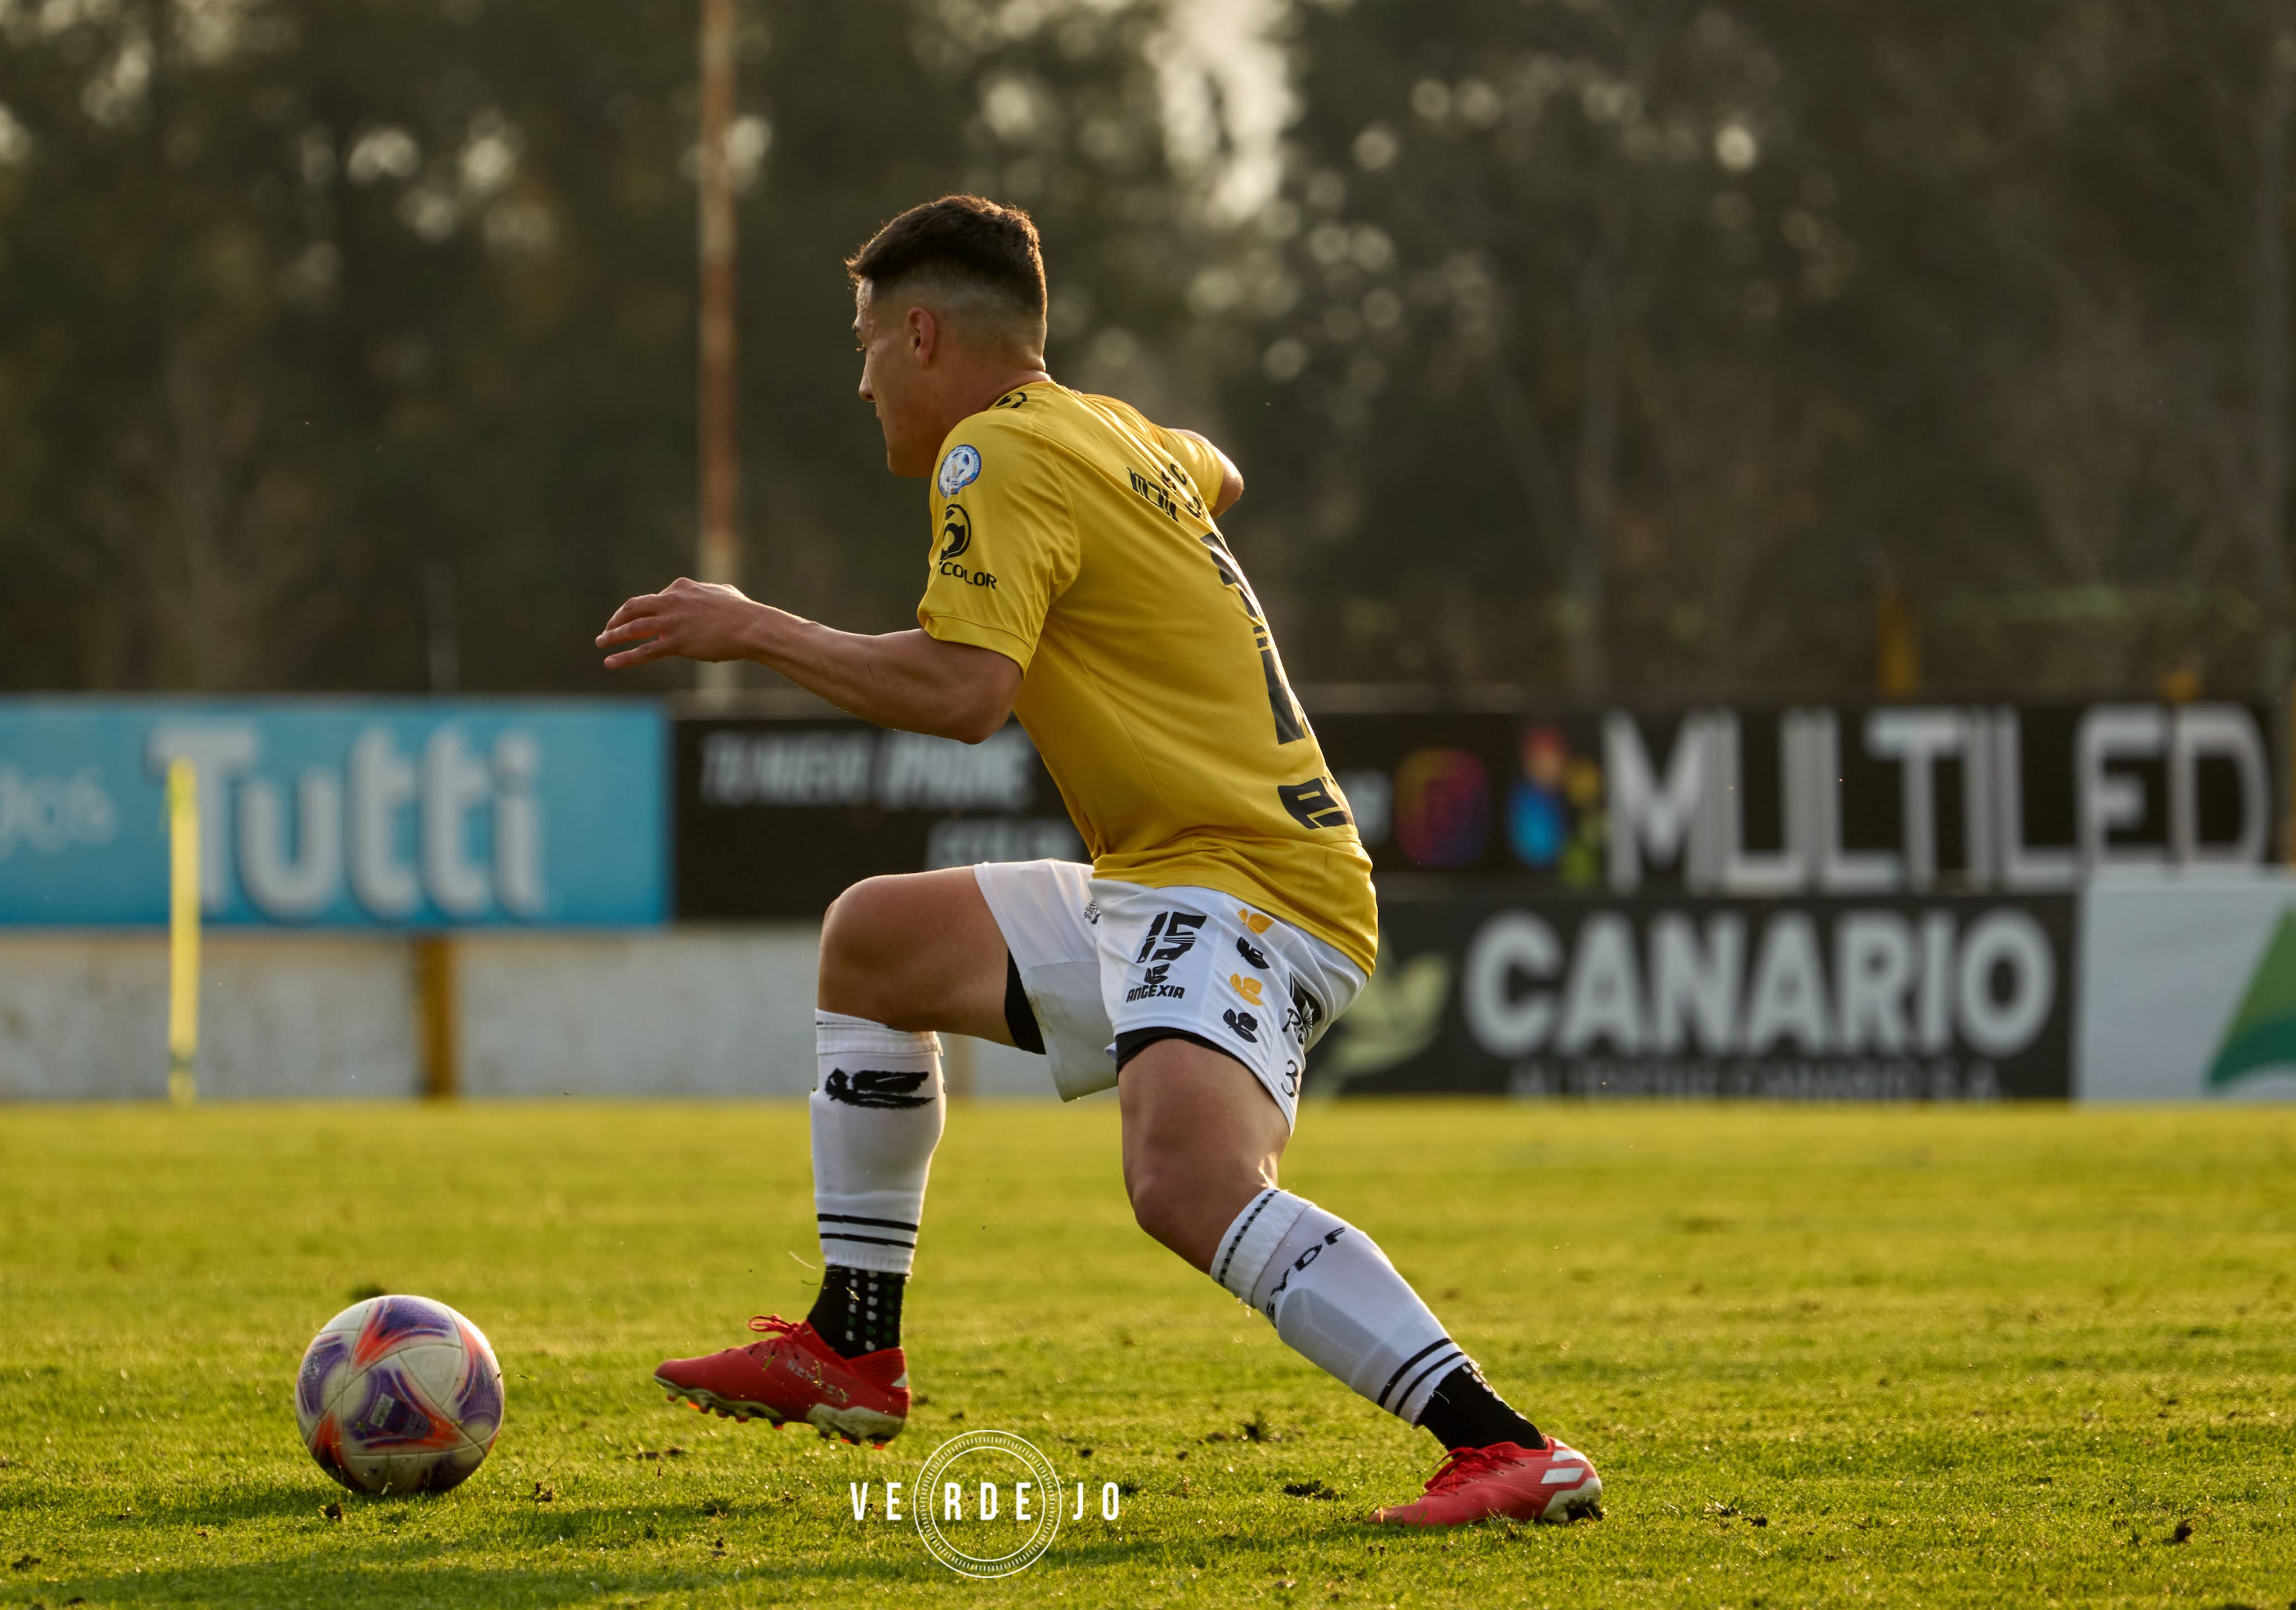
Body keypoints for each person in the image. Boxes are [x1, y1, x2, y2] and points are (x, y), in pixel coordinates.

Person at [597, 196, 1602, 1528]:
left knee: (1186, 1186)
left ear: (921, 331)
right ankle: (851, 1344)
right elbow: (1218, 465)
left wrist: (754, 626)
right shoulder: (1113, 431)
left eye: (863, 344)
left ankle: (1503, 1444)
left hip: (1246, 882)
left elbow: (964, 693)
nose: (858, 379)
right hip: (1169, 876)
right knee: (874, 942)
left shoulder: (993, 457)